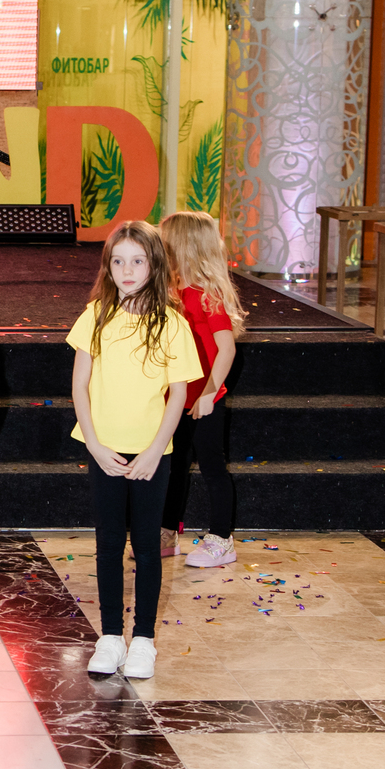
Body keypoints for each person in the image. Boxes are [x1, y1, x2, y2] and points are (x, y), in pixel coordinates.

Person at [68, 220, 202, 682]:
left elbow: (179, 393)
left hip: (151, 454)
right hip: (103, 450)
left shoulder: (172, 323)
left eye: (138, 261)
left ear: (154, 265)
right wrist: (94, 443)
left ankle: (143, 639)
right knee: (108, 544)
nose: (127, 271)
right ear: (108, 267)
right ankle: (110, 636)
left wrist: (155, 450)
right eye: (118, 261)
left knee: (146, 546)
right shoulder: (95, 316)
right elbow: (80, 385)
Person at [160, 211, 246, 569]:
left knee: (211, 466)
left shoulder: (207, 295)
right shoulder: (173, 292)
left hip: (204, 399)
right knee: (174, 464)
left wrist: (209, 393)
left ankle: (222, 539)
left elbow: (226, 349)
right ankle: (167, 531)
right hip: (176, 398)